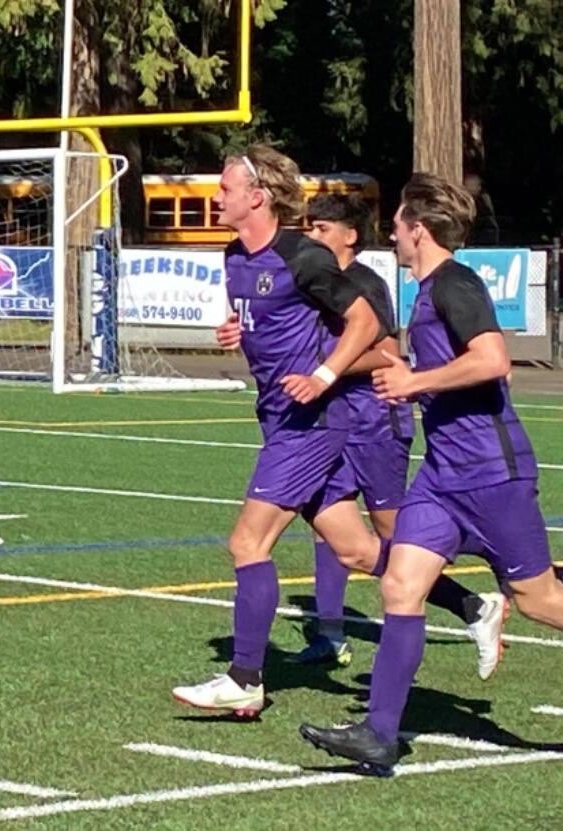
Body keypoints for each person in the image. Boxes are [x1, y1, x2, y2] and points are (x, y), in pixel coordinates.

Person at [300, 173, 563, 775]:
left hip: (492, 475)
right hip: (442, 476)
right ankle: (379, 736)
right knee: (399, 586)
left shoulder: (455, 283)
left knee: (540, 600)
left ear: (418, 229)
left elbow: (495, 360)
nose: (389, 231)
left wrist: (416, 382)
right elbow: (475, 365)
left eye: (395, 222)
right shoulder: (425, 291)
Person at [171, 145, 386, 718]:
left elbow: (366, 322)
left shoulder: (305, 255)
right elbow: (267, 321)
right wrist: (238, 330)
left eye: (224, 189)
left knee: (247, 542)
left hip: (310, 424)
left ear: (256, 197)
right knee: (358, 549)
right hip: (279, 418)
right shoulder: (233, 254)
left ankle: (245, 677)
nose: (215, 198)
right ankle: (472, 603)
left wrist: (322, 374)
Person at [288, 194, 504, 676]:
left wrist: (327, 369)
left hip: (375, 423)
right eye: (309, 229)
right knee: (337, 535)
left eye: (322, 229)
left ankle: (494, 567)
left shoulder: (364, 284)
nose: (312, 238)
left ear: (349, 235)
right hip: (331, 425)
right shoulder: (314, 284)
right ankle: (330, 632)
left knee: (395, 535)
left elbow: (388, 356)